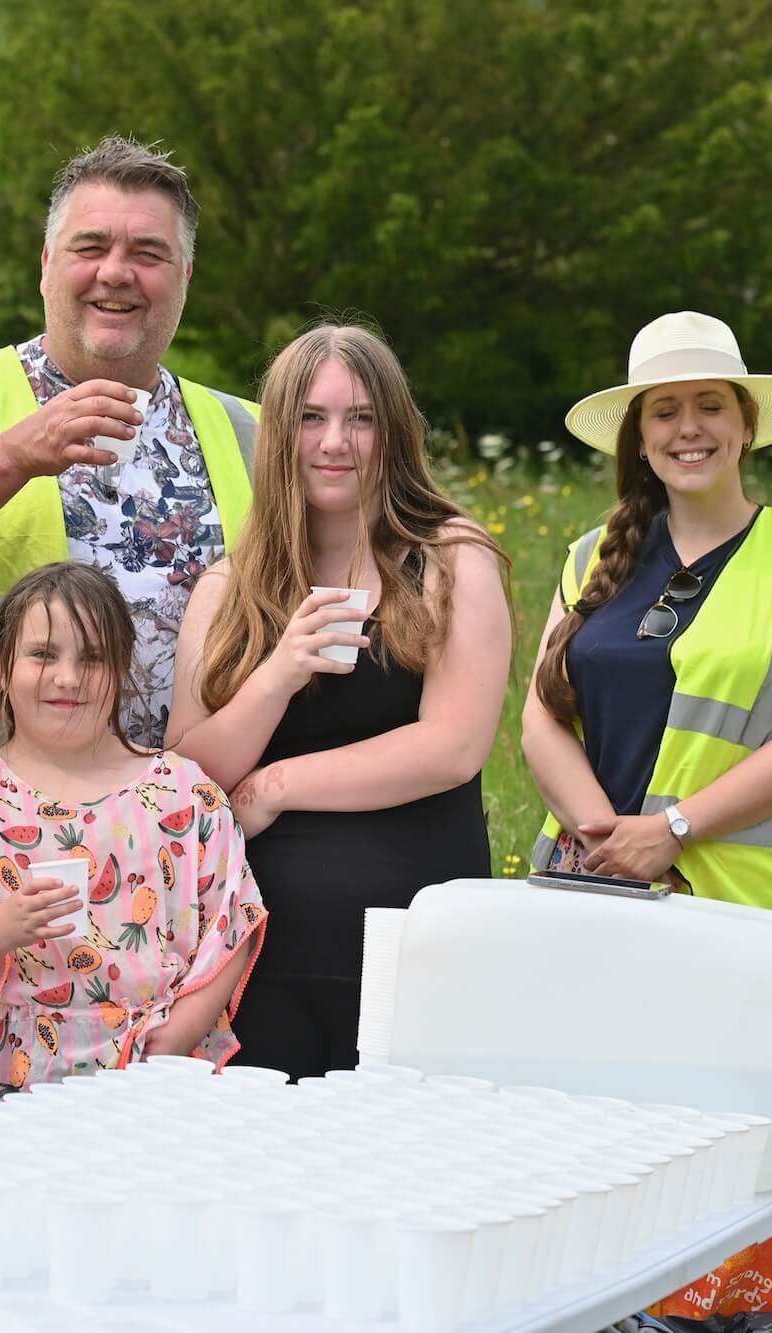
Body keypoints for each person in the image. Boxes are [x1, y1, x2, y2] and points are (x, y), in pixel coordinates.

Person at [168, 325, 510, 1078]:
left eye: (361, 418)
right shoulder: (229, 586)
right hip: (257, 963)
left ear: (393, 433)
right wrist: (278, 673)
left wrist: (276, 786)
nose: (336, 442)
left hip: (414, 958)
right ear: (279, 433)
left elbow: (452, 745)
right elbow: (188, 774)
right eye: (311, 419)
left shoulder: (452, 561)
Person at [0, 136, 258, 749]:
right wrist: (12, 456)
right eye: (91, 247)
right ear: (46, 264)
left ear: (185, 276)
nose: (116, 271)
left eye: (149, 253)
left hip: (198, 818)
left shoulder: (254, 433)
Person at [0, 563, 266, 1112]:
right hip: (11, 1091)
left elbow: (232, 927)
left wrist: (183, 1032)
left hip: (154, 1082)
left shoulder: (183, 793)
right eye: (43, 654)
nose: (67, 677)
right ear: (3, 666)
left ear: (124, 667)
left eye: (93, 657)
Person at [521, 311, 772, 918]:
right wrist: (609, 841)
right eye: (665, 411)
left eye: (710, 406)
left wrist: (669, 831)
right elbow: (540, 724)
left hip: (739, 902)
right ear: (642, 438)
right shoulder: (588, 556)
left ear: (746, 423)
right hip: (589, 886)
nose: (689, 429)